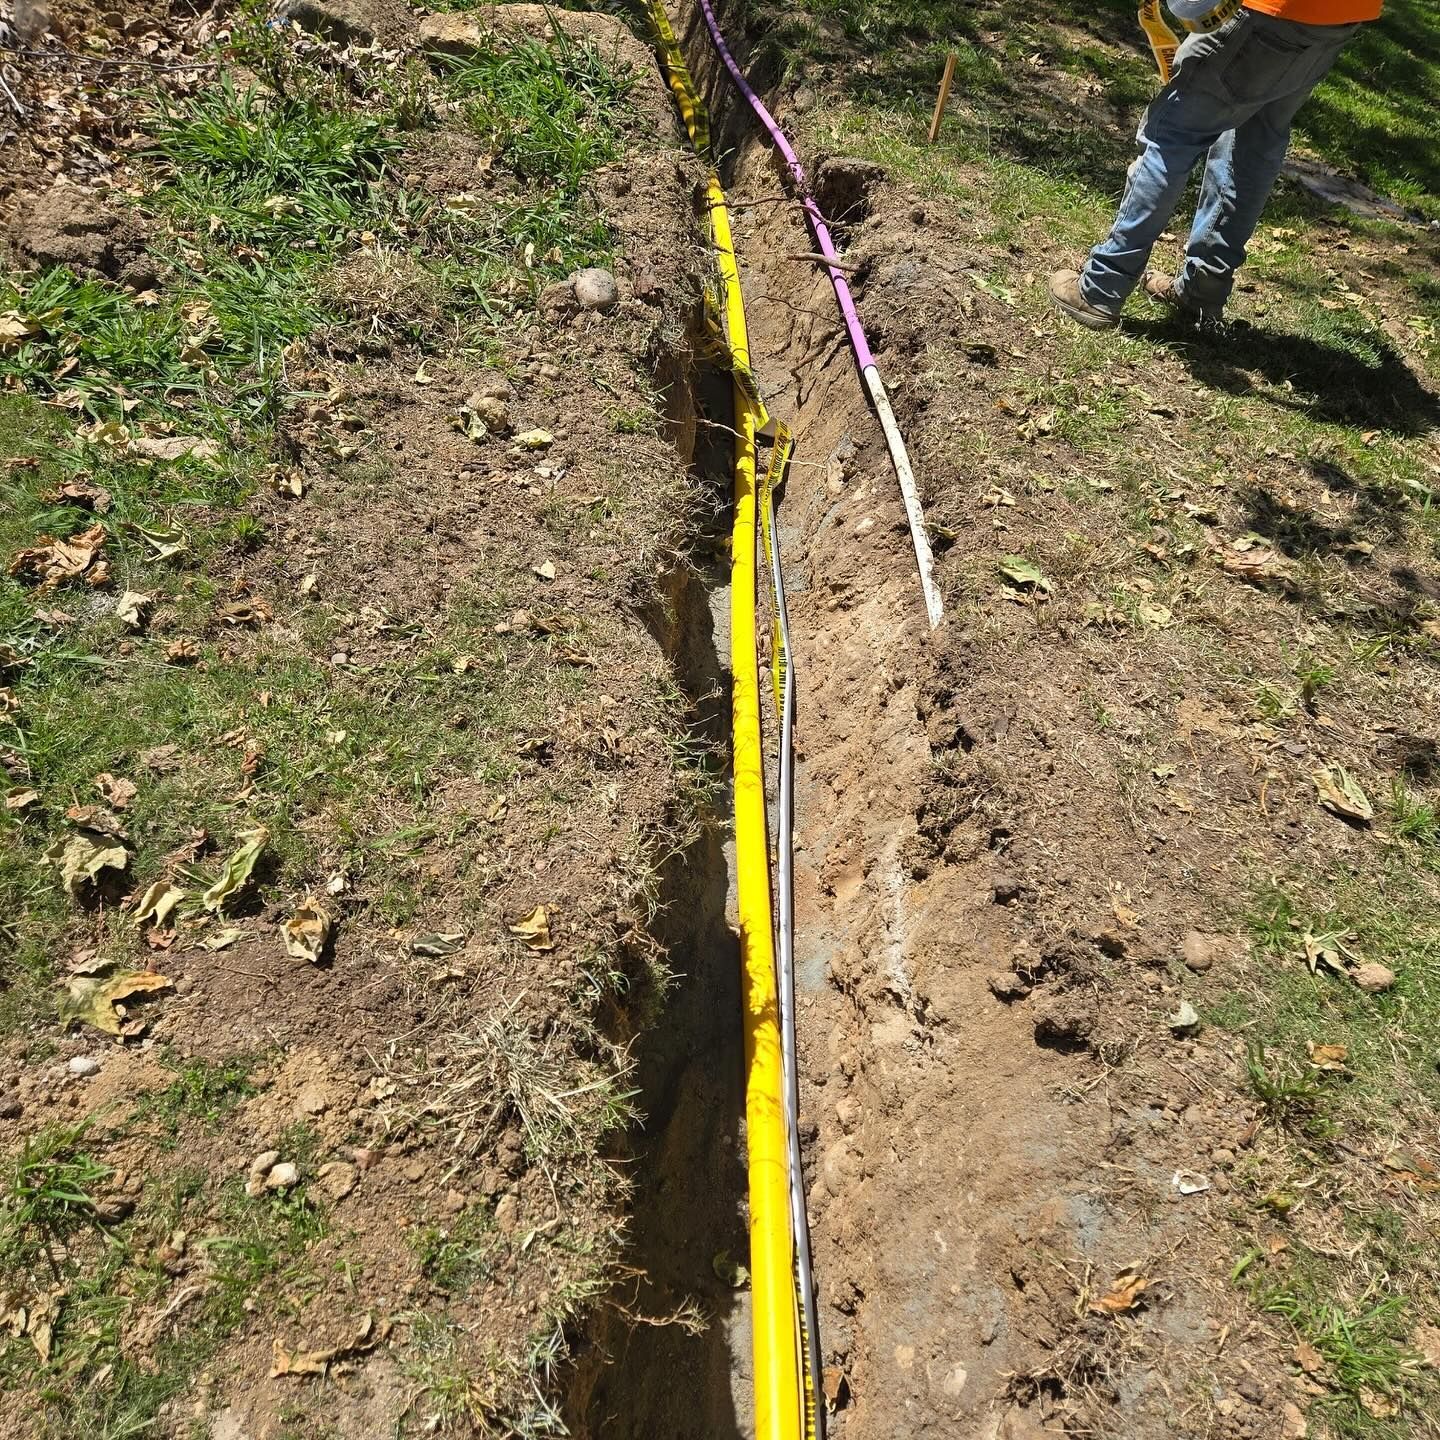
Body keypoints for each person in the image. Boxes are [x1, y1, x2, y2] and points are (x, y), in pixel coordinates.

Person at [1049, 0, 1381, 330]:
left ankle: (1101, 287)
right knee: (1256, 141)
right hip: (1339, 18)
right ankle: (1202, 290)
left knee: (1172, 136)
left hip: (1269, 12)